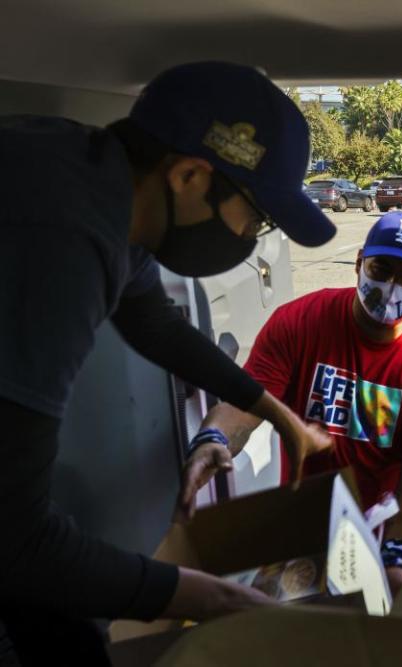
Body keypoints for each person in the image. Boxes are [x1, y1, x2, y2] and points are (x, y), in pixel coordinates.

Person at [0, 61, 338, 663]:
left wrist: (281, 417)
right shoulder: (61, 239)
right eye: (255, 217)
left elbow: (154, 323)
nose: (251, 237)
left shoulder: (99, 184)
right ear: (188, 175)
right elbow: (16, 540)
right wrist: (209, 597)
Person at [179, 212, 402, 595]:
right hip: (301, 519)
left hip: (378, 528)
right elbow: (243, 403)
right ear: (359, 262)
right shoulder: (299, 322)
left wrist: (399, 554)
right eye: (381, 268)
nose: (391, 288)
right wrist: (213, 438)